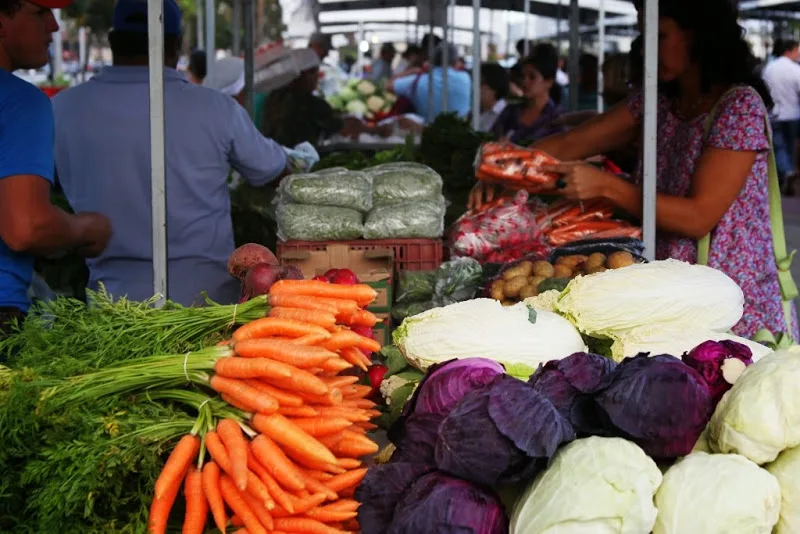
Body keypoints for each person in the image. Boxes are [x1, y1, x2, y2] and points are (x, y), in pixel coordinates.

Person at [471, 0, 798, 339]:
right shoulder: (657, 100)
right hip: (664, 286)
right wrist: (504, 169)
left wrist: (608, 187)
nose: (646, 47)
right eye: (645, 33)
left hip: (728, 297)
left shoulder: (738, 106)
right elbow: (572, 143)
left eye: (660, 34)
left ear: (698, 35)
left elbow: (699, 215)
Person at [52, 0, 289, 307]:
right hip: (206, 302)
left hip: (111, 307)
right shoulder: (216, 108)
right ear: (177, 45)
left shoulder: (62, 110)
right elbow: (274, 171)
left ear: (112, 41)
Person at [0, 0, 111, 335]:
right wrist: (86, 229)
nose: (54, 26)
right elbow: (26, 227)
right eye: (39, 13)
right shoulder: (19, 102)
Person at [261, 48, 367, 147]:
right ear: (298, 75)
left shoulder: (274, 97)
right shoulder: (309, 103)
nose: (317, 77)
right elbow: (339, 126)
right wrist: (376, 130)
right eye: (313, 72)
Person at [491, 46, 565, 143]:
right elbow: (491, 139)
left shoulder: (558, 118)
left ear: (549, 82)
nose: (525, 82)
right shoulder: (511, 111)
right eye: (523, 76)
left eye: (532, 77)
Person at [390, 43, 472, 123]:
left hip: (427, 132)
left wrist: (413, 71)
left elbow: (389, 85)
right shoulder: (466, 78)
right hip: (460, 133)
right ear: (455, 61)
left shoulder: (418, 80)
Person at [762, 38, 800, 194]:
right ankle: (789, 171)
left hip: (774, 114)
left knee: (778, 147)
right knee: (790, 146)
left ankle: (785, 173)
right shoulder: (795, 69)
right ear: (789, 50)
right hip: (793, 114)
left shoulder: (769, 68)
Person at [478, 62, 510, 132]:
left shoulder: (507, 115)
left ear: (493, 86)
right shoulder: (475, 112)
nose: (474, 88)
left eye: (480, 83)